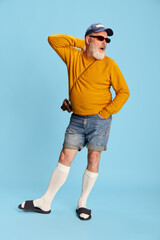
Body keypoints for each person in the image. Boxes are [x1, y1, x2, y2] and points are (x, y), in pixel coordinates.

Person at [18, 23, 130, 220]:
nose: (105, 43)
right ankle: (45, 202)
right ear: (88, 39)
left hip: (99, 121)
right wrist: (84, 45)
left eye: (107, 40)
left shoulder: (109, 64)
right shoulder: (73, 56)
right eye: (100, 38)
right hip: (77, 119)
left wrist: (106, 111)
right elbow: (53, 39)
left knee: (93, 160)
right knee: (64, 157)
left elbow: (124, 92)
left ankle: (82, 203)